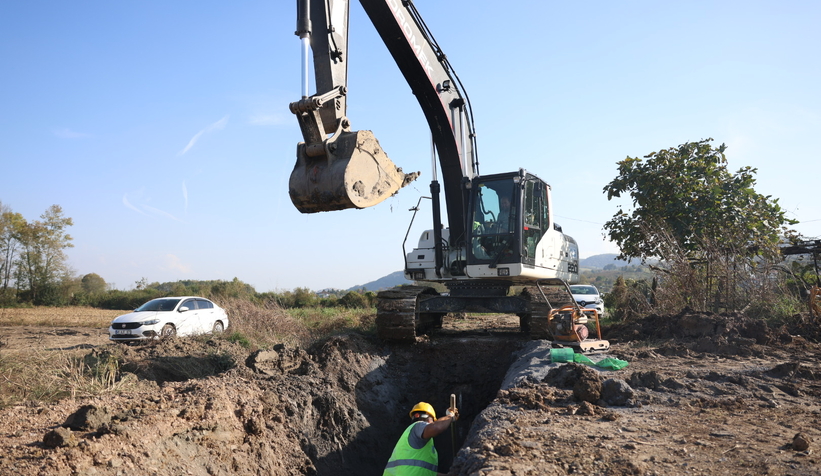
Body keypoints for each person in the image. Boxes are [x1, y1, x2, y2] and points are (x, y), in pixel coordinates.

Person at [383, 402, 459, 476]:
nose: (432, 423)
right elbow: (437, 427)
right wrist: (450, 416)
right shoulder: (418, 425)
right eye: (432, 420)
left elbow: (425, 472)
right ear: (427, 418)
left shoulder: (409, 437)